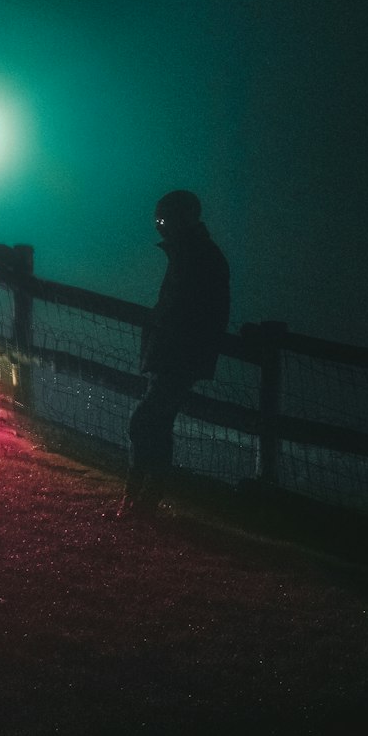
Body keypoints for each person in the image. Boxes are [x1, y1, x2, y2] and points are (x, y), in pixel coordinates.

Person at [119, 189, 230, 518]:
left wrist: (162, 334)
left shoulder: (198, 257)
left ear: (185, 218)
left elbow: (190, 313)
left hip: (177, 358)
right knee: (158, 425)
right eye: (158, 219)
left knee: (143, 422)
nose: (159, 225)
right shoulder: (196, 254)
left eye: (164, 218)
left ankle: (137, 497)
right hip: (176, 356)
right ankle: (144, 499)